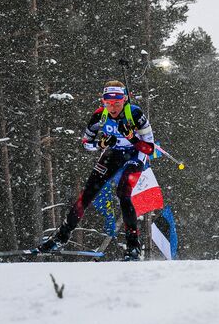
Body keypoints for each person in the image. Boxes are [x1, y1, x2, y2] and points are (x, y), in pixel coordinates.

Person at [38, 80, 155, 261]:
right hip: (113, 153)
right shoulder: (100, 115)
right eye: (108, 102)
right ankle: (60, 238)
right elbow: (86, 144)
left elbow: (149, 149)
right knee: (87, 195)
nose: (113, 107)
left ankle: (133, 247)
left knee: (123, 193)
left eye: (117, 102)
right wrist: (100, 144)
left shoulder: (135, 114)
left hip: (135, 155)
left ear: (124, 100)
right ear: (103, 101)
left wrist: (131, 137)